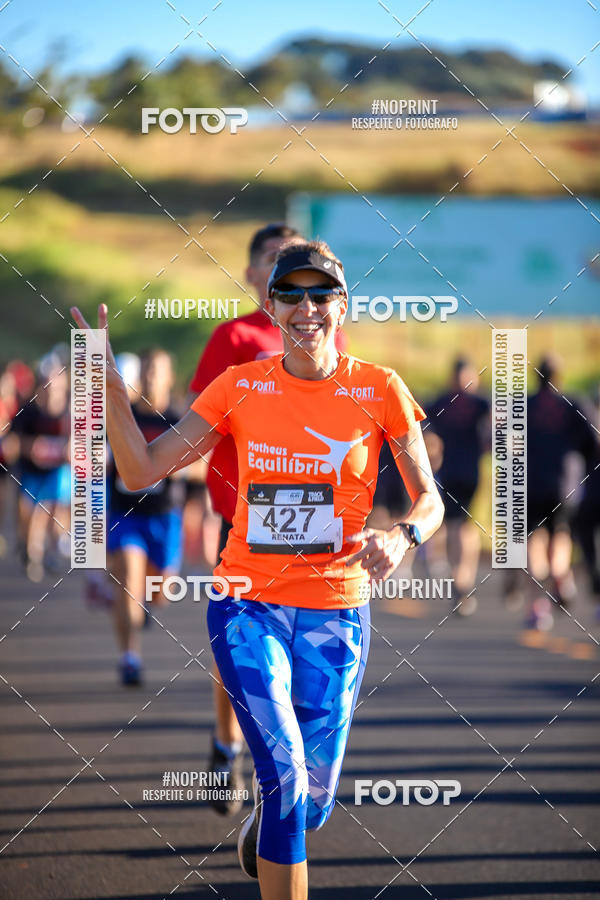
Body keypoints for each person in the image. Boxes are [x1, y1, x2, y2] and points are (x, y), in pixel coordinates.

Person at [71, 238, 443, 899]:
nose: (307, 307)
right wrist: (109, 395)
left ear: (343, 305)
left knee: (312, 803)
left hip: (337, 613)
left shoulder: (380, 388)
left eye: (321, 293)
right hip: (248, 604)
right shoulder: (241, 385)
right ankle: (277, 814)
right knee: (286, 781)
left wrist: (403, 534)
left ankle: (269, 825)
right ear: (271, 307)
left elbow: (431, 500)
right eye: (290, 293)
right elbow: (142, 469)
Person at [188, 223, 349, 815]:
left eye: (317, 286)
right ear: (257, 276)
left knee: (304, 669)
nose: (304, 298)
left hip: (316, 532)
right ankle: (226, 744)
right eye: (278, 266)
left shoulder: (322, 334)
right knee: (243, 649)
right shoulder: (233, 338)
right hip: (243, 523)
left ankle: (281, 790)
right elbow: (199, 423)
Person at [106, 348, 186, 685]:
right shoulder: (124, 416)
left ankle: (145, 605)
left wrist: (177, 466)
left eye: (158, 371)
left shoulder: (178, 420)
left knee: (161, 592)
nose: (151, 377)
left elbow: (201, 467)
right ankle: (130, 657)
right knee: (129, 581)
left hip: (163, 516)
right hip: (126, 514)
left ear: (170, 377)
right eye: (147, 370)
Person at [521, 356, 597, 630]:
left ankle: (538, 607)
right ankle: (559, 573)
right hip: (565, 484)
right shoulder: (573, 404)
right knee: (561, 533)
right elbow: (593, 441)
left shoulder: (524, 406)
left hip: (530, 483)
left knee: (533, 540)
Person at [425, 358, 490, 615]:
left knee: (459, 527)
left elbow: (421, 425)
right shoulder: (473, 402)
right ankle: (462, 582)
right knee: (461, 527)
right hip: (458, 472)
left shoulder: (450, 402)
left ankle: (461, 582)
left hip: (462, 473)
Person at [13, 360, 70, 582]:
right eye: (48, 382)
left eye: (56, 381)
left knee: (51, 509)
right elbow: (13, 442)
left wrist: (71, 448)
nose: (52, 386)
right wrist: (32, 447)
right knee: (30, 514)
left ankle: (49, 551)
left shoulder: (72, 409)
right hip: (32, 471)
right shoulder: (29, 410)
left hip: (59, 471)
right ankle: (31, 552)